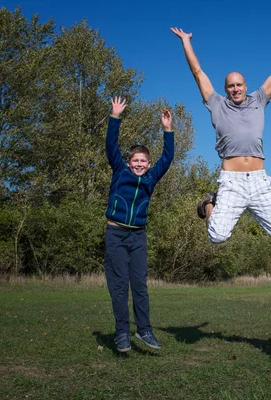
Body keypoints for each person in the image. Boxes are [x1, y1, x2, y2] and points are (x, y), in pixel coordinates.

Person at [170, 27, 271, 243]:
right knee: (216, 237)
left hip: (258, 180)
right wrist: (186, 41)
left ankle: (257, 209)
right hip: (231, 181)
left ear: (246, 86)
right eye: (231, 86)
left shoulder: (259, 100)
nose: (235, 89)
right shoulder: (217, 104)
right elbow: (198, 73)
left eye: (239, 84)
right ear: (225, 89)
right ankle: (209, 203)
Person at [104, 97, 174, 352]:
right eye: (136, 160)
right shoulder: (120, 171)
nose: (140, 164)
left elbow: (167, 157)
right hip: (115, 233)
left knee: (140, 286)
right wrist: (115, 117)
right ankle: (122, 333)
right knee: (119, 286)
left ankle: (144, 330)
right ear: (129, 161)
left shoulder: (150, 179)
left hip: (138, 237)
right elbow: (111, 145)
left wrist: (167, 130)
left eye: (144, 161)